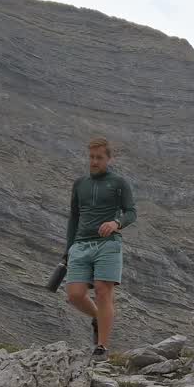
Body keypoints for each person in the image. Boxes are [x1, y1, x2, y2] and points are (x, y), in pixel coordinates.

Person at [63, 137, 136, 361]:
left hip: (108, 244)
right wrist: (68, 249)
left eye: (99, 158)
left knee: (103, 291)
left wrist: (116, 223)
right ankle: (98, 317)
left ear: (108, 159)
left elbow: (131, 212)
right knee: (74, 295)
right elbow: (74, 217)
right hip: (81, 244)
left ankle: (102, 347)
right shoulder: (80, 184)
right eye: (92, 157)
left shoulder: (119, 183)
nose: (94, 162)